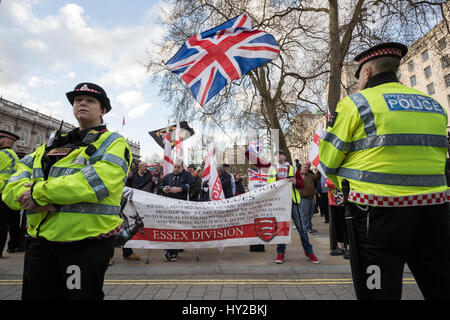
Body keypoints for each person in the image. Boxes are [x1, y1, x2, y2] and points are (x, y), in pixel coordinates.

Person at [319, 42, 450, 300]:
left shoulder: (355, 104)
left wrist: (345, 183)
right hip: (434, 212)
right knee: (441, 286)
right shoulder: (434, 105)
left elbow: (328, 162)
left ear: (366, 72)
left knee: (378, 290)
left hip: (377, 218)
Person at [2, 82, 132, 300]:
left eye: (90, 100)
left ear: (103, 110)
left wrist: (37, 193)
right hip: (40, 243)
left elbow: (96, 182)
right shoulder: (49, 145)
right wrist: (25, 197)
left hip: (84, 244)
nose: (82, 103)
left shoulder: (113, 143)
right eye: (77, 100)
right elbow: (14, 181)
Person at [266, 150, 319, 264]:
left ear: (285, 156)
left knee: (302, 228)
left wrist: (295, 182)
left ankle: (309, 251)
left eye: (280, 154)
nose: (278, 156)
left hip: (293, 202)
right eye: (276, 155)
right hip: (280, 203)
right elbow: (269, 186)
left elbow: (301, 185)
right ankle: (280, 253)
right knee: (281, 229)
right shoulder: (272, 169)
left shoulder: (293, 169)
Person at [160, 159, 193, 261]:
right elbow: (160, 186)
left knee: (179, 227)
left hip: (182, 206)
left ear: (183, 167)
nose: (176, 169)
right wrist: (163, 189)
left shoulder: (188, 175)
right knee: (171, 228)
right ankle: (171, 251)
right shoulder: (168, 176)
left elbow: (191, 185)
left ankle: (174, 249)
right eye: (175, 167)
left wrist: (180, 189)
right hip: (169, 207)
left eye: (178, 167)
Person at [0, 130, 21, 257]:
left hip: (2, 193)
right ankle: (14, 246)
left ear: (7, 140)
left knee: (2, 224)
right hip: (12, 193)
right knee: (13, 223)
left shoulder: (3, 154)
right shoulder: (12, 154)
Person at [325, 177, 349, 259]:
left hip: (342, 200)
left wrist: (330, 185)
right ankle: (340, 247)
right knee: (337, 224)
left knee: (345, 224)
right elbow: (328, 180)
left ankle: (349, 248)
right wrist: (328, 184)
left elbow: (341, 181)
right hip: (333, 200)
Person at [299, 162, 321, 233]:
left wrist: (318, 171)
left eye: (307, 168)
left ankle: (309, 227)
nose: (306, 169)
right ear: (301, 168)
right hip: (303, 199)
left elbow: (317, 178)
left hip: (311, 198)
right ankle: (305, 229)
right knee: (304, 215)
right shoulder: (297, 175)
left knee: (310, 214)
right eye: (305, 168)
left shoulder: (310, 175)